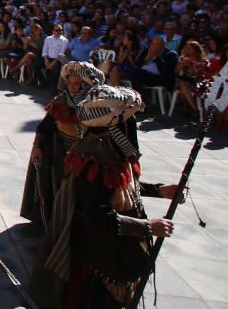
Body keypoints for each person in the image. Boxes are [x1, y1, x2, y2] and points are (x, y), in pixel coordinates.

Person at [28, 85, 179, 308]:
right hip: (98, 255)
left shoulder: (110, 149)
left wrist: (159, 190)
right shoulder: (93, 157)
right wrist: (147, 227)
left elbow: (119, 185)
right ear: (113, 122)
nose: (131, 123)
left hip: (112, 250)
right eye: (128, 118)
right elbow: (97, 216)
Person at [20, 61, 103, 229]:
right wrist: (37, 146)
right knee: (57, 189)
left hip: (85, 158)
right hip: (59, 153)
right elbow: (44, 127)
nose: (72, 87)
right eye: (70, 83)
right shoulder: (60, 101)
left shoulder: (97, 108)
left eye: (77, 84)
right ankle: (54, 223)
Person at [41, 24, 69, 89]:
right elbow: (45, 49)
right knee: (36, 65)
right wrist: (46, 59)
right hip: (47, 58)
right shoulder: (48, 38)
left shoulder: (65, 40)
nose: (59, 32)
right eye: (57, 30)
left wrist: (52, 64)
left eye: (60, 30)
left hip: (58, 60)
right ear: (53, 31)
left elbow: (61, 54)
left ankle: (53, 89)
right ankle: (44, 84)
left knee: (55, 71)